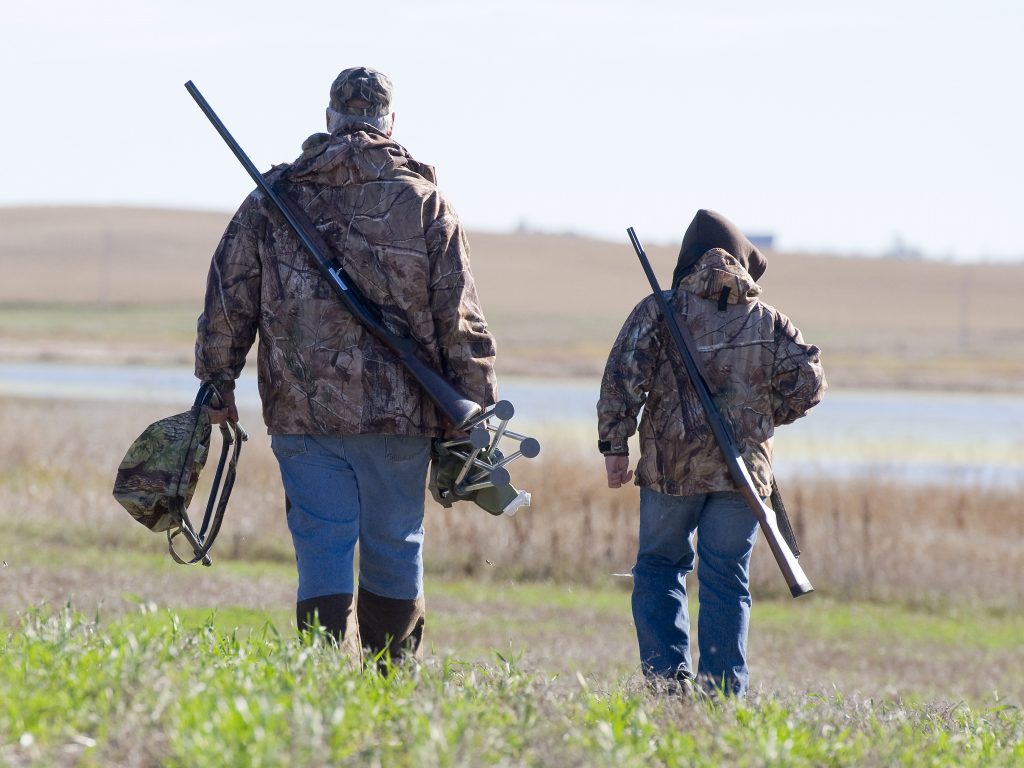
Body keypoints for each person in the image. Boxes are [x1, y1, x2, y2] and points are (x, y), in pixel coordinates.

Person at [194, 66, 497, 664]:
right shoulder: (425, 201)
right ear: (389, 121)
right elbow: (460, 320)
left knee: (321, 545)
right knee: (395, 543)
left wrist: (217, 380)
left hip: (302, 413)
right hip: (400, 415)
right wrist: (475, 408)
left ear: (330, 118)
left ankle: (322, 672)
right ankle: (391, 680)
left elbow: (228, 297)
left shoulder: (274, 196)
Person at [597, 209, 826, 697]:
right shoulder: (768, 320)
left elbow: (622, 380)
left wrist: (614, 447)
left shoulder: (659, 309)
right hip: (742, 478)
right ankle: (723, 696)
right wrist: (762, 419)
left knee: (660, 568)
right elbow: (810, 383)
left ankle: (667, 686)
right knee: (727, 579)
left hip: (669, 472)